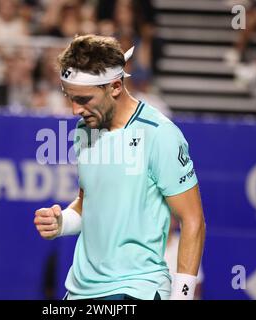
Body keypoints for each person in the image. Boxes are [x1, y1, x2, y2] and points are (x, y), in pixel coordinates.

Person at [33, 35, 206, 300]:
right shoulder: (84, 131)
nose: (74, 110)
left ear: (114, 87)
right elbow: (86, 203)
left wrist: (181, 297)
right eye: (69, 97)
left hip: (136, 290)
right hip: (79, 291)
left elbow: (193, 221)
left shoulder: (161, 135)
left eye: (83, 99)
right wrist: (61, 222)